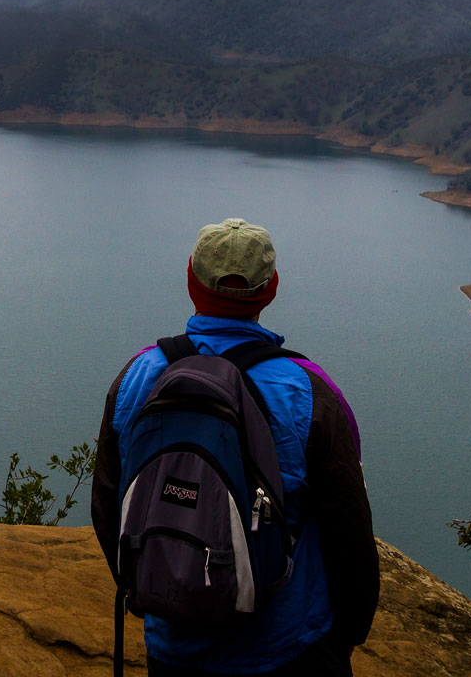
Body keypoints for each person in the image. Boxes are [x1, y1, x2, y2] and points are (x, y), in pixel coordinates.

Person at [92, 218, 381, 676]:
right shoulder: (308, 390)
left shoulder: (138, 376)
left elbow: (108, 504)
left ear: (191, 280)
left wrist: (148, 593)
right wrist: (349, 632)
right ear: (271, 289)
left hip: (173, 646)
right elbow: (348, 527)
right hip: (288, 646)